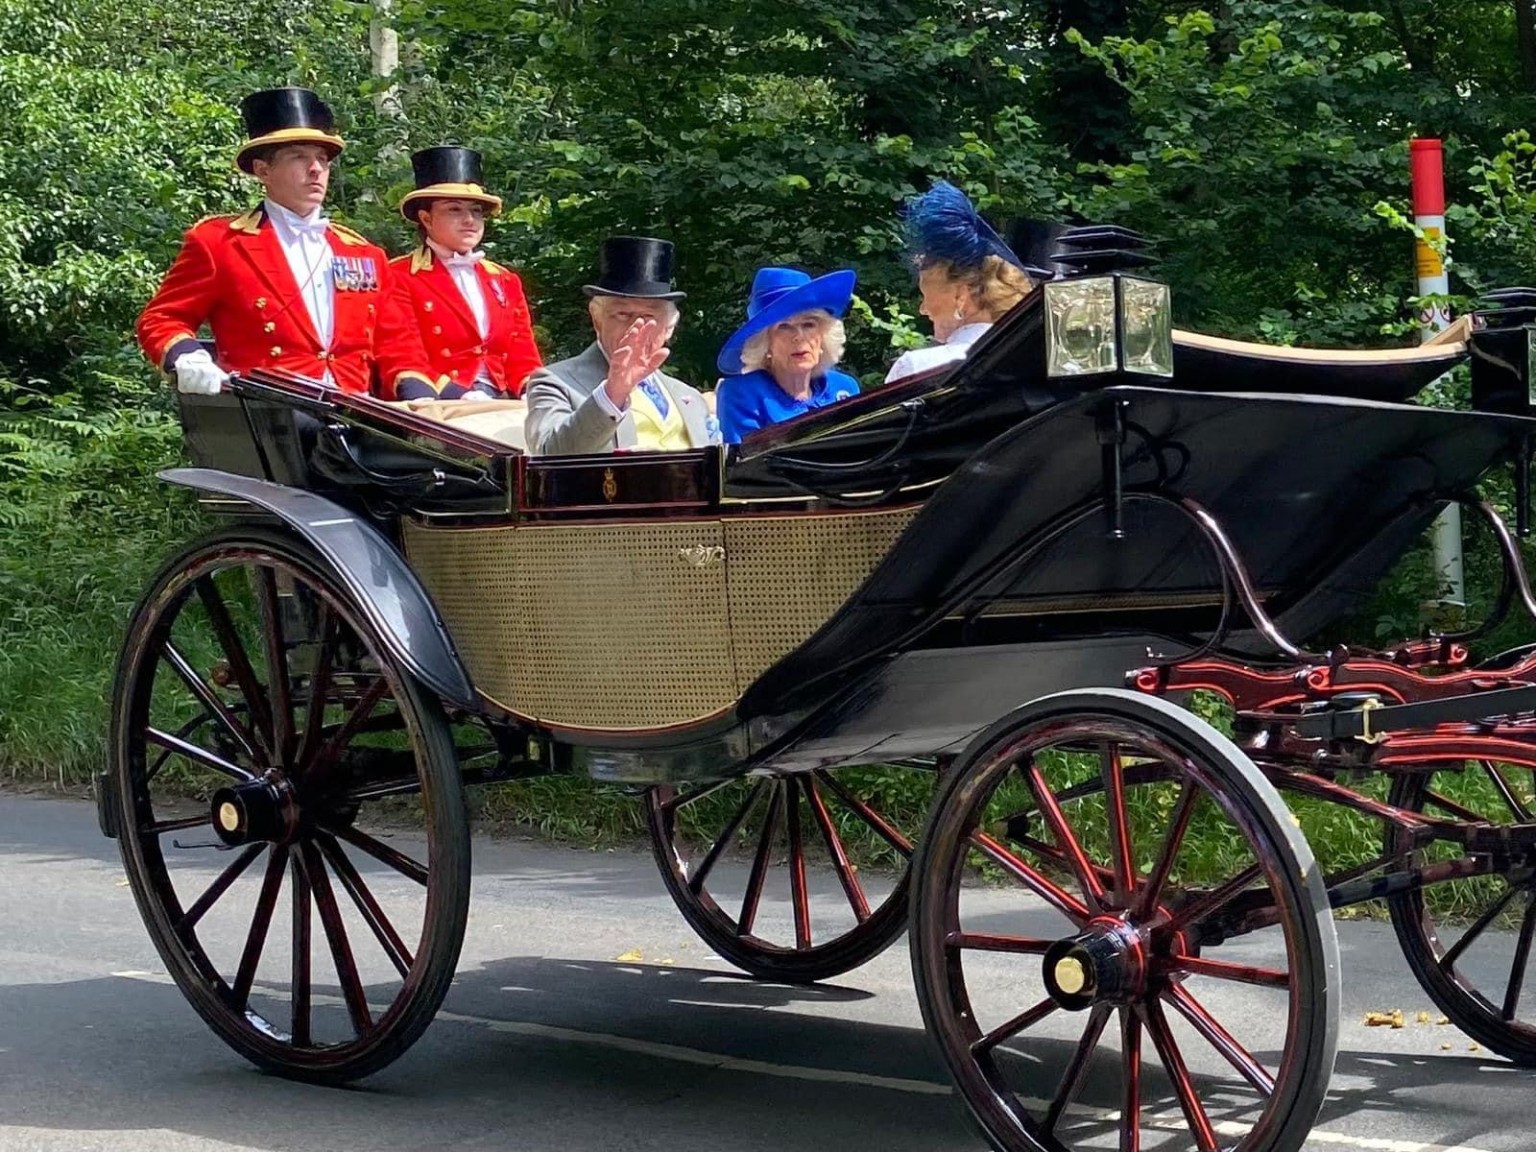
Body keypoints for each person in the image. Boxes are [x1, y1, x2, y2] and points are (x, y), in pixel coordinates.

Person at [135, 87, 393, 395]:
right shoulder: (220, 243)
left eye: (322, 159)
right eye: (299, 157)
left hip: (356, 418)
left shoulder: (364, 253)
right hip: (269, 418)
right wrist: (187, 356)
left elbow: (396, 342)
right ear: (263, 170)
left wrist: (422, 393)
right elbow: (162, 317)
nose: (316, 170)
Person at [373, 146, 543, 401]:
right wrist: (455, 395)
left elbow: (523, 355)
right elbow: (403, 352)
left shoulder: (505, 280)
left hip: (504, 401)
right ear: (426, 218)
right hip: (438, 402)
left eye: (476, 211)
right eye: (454, 209)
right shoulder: (398, 275)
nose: (469, 220)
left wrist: (538, 395)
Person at [524, 236, 720, 455]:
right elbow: (550, 455)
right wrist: (612, 393)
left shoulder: (689, 396)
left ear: (669, 327)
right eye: (622, 314)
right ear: (597, 319)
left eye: (648, 316)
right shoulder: (555, 382)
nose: (635, 325)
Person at [884, 179, 1035, 384]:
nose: (923, 309)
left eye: (926, 296)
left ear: (960, 297)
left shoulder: (917, 367)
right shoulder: (1035, 364)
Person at [714, 267, 860, 444]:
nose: (798, 336)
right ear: (765, 343)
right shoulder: (741, 394)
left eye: (808, 325)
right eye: (784, 326)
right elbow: (745, 465)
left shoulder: (844, 388)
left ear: (823, 335)